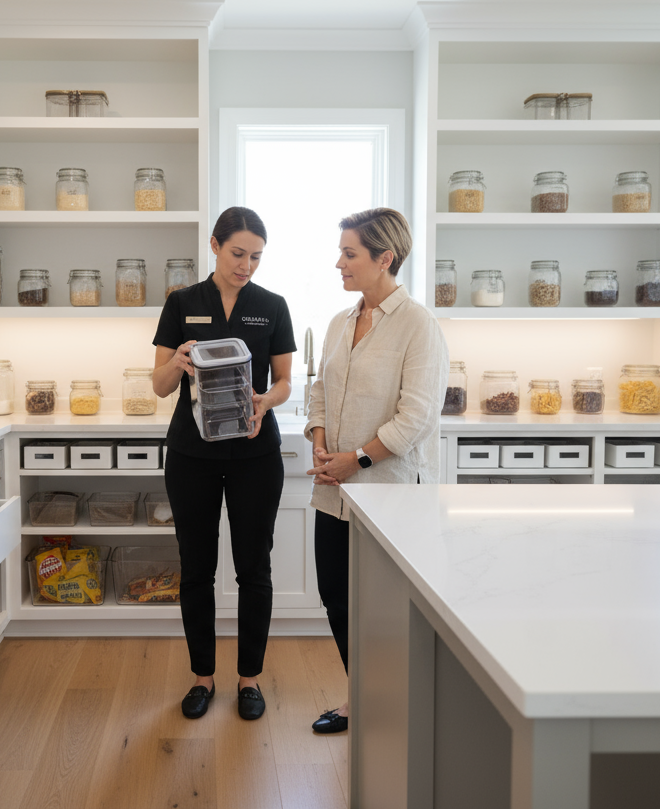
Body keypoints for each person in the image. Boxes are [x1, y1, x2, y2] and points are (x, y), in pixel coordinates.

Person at [304, 207, 446, 734]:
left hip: (386, 494)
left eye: (349, 253)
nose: (339, 262)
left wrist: (356, 458)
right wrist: (320, 444)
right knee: (338, 600)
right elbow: (319, 389)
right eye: (342, 252)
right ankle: (363, 698)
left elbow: (417, 417)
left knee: (385, 611)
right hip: (333, 491)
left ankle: (399, 705)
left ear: (384, 258)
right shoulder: (343, 321)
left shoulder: (418, 325)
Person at [152, 206, 296, 721]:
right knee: (197, 568)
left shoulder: (272, 306)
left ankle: (249, 679)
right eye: (238, 254)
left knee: (254, 568)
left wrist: (265, 401)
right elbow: (159, 385)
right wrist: (177, 362)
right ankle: (202, 678)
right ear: (214, 245)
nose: (247, 266)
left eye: (256, 257)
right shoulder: (182, 303)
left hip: (256, 454)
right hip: (192, 454)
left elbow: (284, 382)